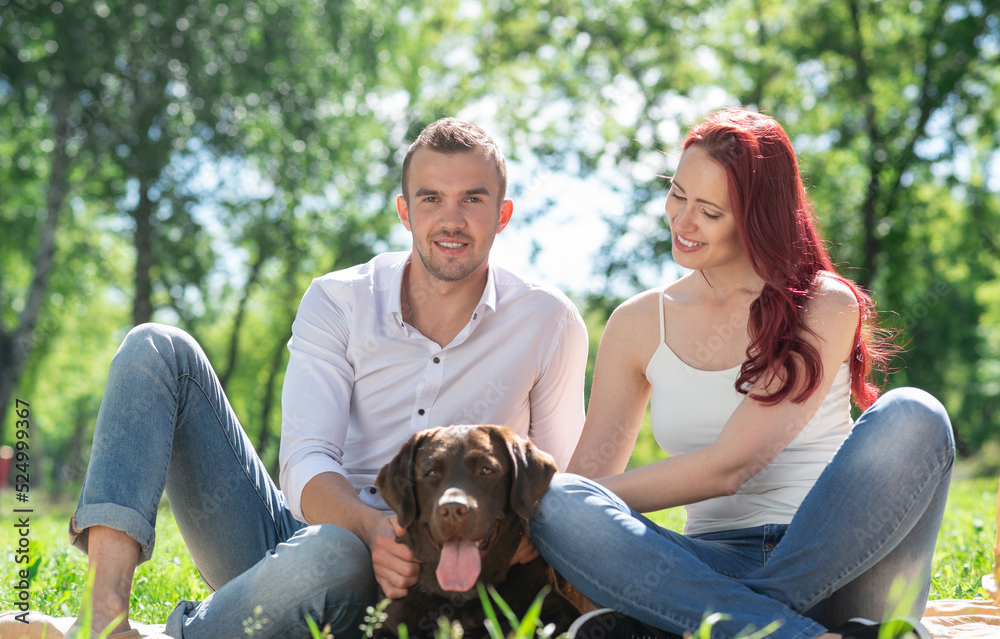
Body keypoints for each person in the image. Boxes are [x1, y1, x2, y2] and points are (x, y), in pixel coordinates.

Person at [66, 118, 588, 639]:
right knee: (157, 348)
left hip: (446, 568)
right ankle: (102, 617)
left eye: (473, 200)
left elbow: (562, 481)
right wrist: (371, 527)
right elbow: (305, 458)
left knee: (338, 553)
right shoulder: (339, 299)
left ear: (503, 214)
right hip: (297, 545)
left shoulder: (548, 321)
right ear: (405, 212)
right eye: (431, 199)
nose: (451, 220)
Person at [528, 108, 953, 639]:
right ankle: (777, 630)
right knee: (560, 502)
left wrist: (597, 506)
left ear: (758, 217)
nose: (682, 222)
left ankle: (711, 623)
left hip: (850, 569)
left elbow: (731, 466)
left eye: (709, 210)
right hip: (709, 565)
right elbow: (590, 481)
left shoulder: (823, 304)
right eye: (677, 195)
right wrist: (564, 504)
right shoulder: (637, 324)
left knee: (915, 413)